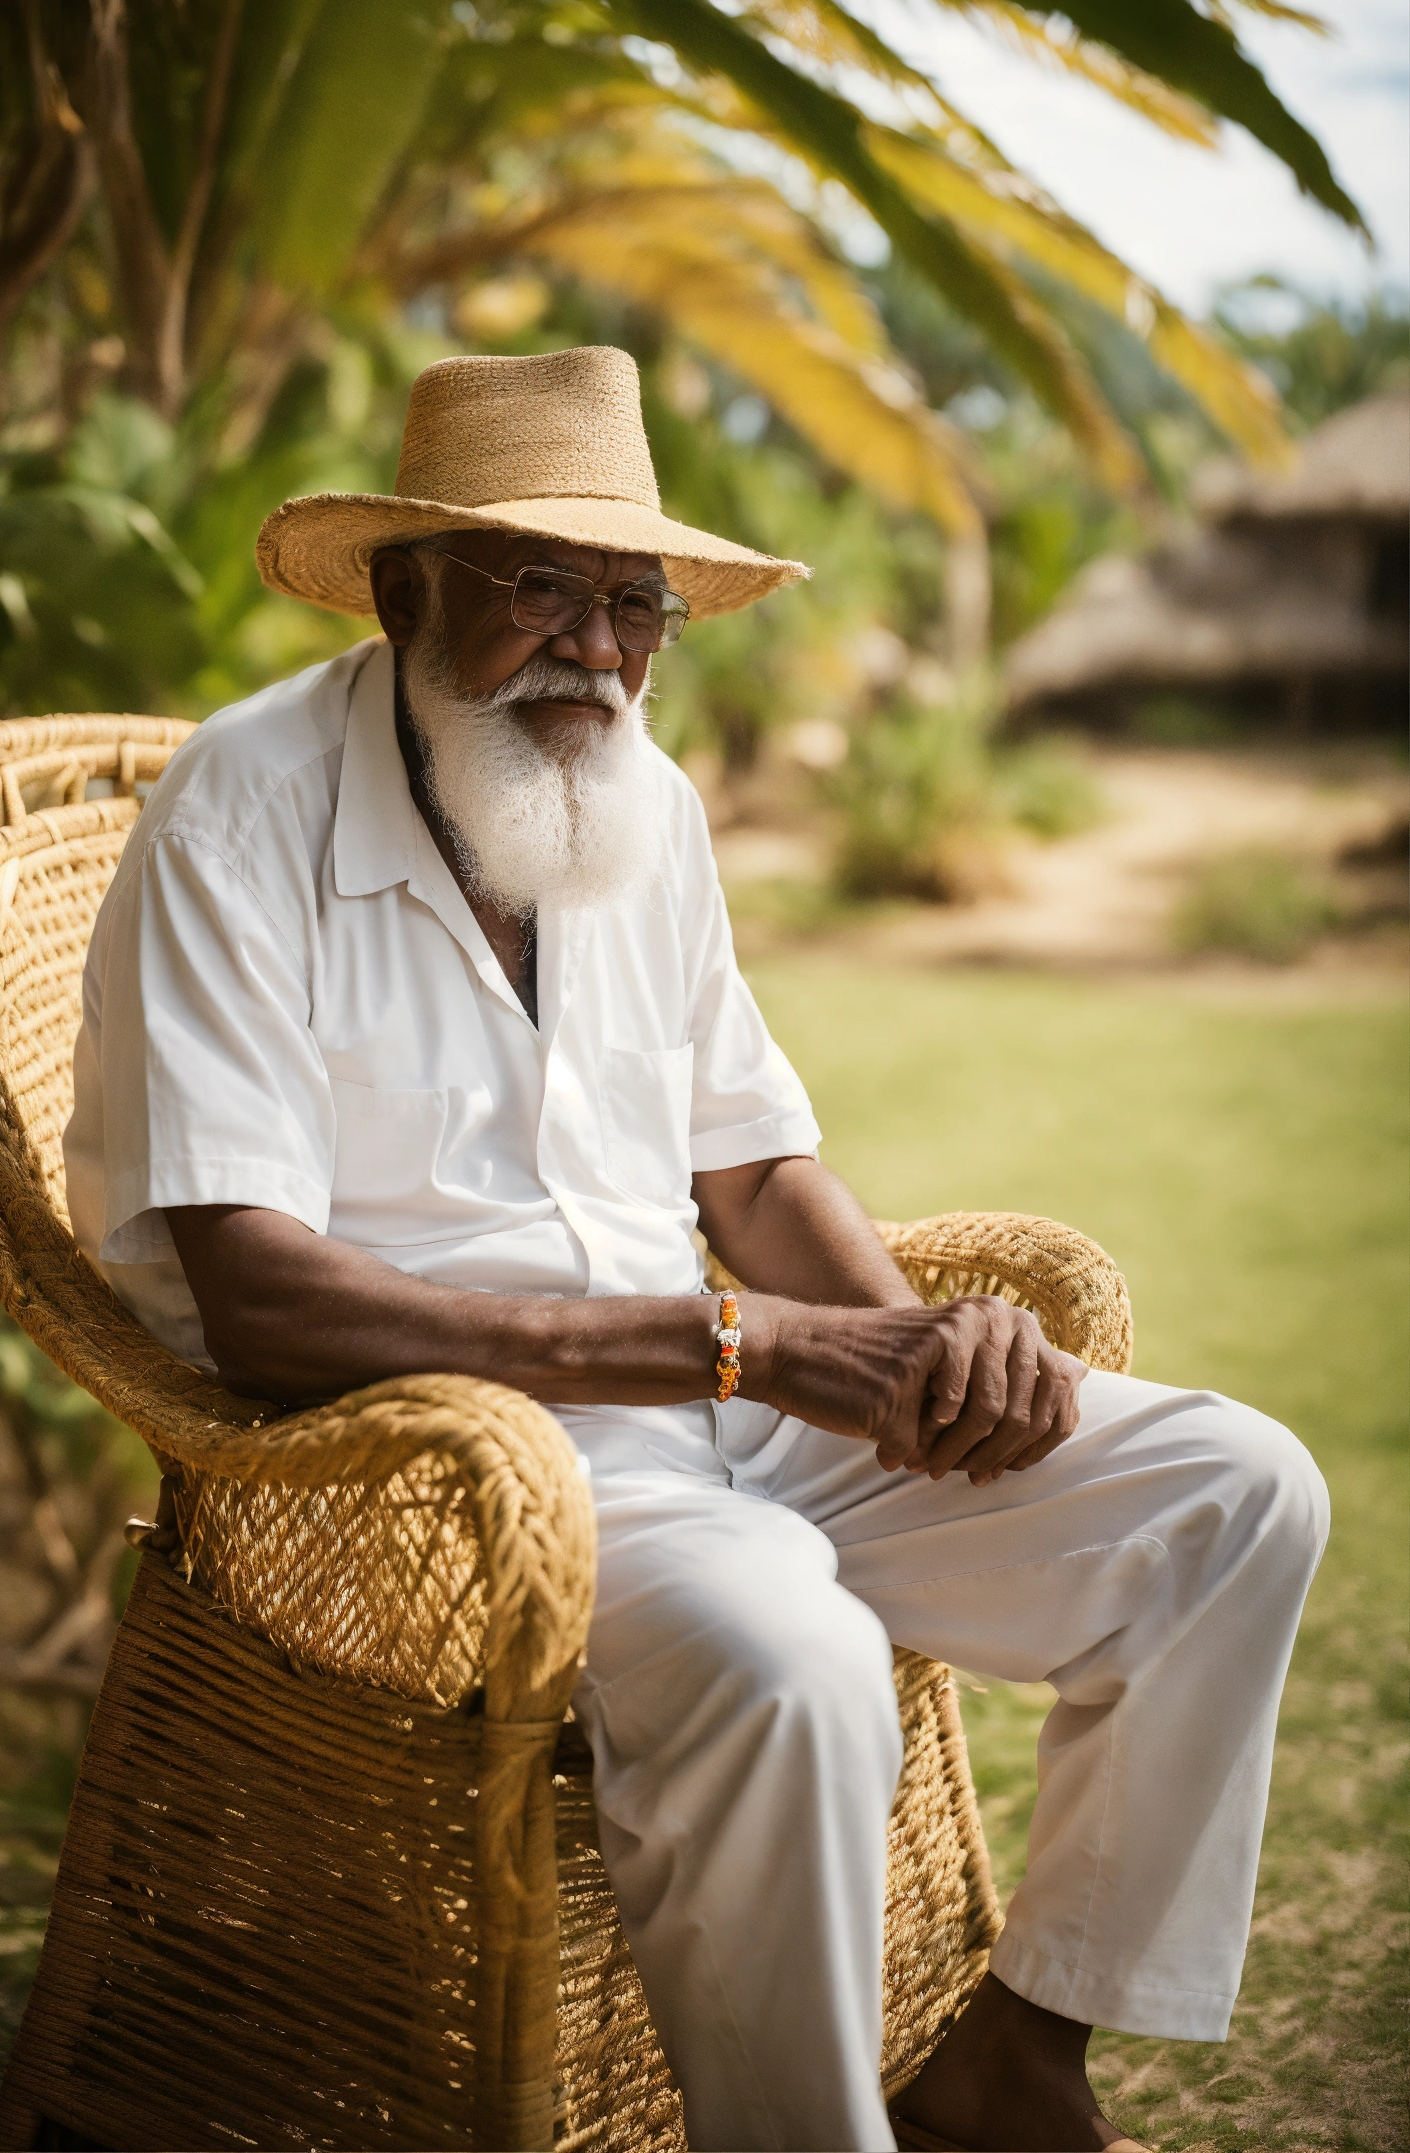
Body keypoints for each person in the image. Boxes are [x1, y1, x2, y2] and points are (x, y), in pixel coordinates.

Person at [64, 345, 1327, 2153]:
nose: (599, 646)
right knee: (791, 1654)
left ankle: (1015, 2064)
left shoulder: (634, 800)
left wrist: (918, 1354)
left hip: (734, 1413)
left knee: (1237, 1491)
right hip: (464, 1484)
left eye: (635, 599)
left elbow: (752, 1166)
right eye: (544, 586)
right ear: (408, 588)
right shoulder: (241, 814)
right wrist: (742, 1349)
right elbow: (260, 1301)